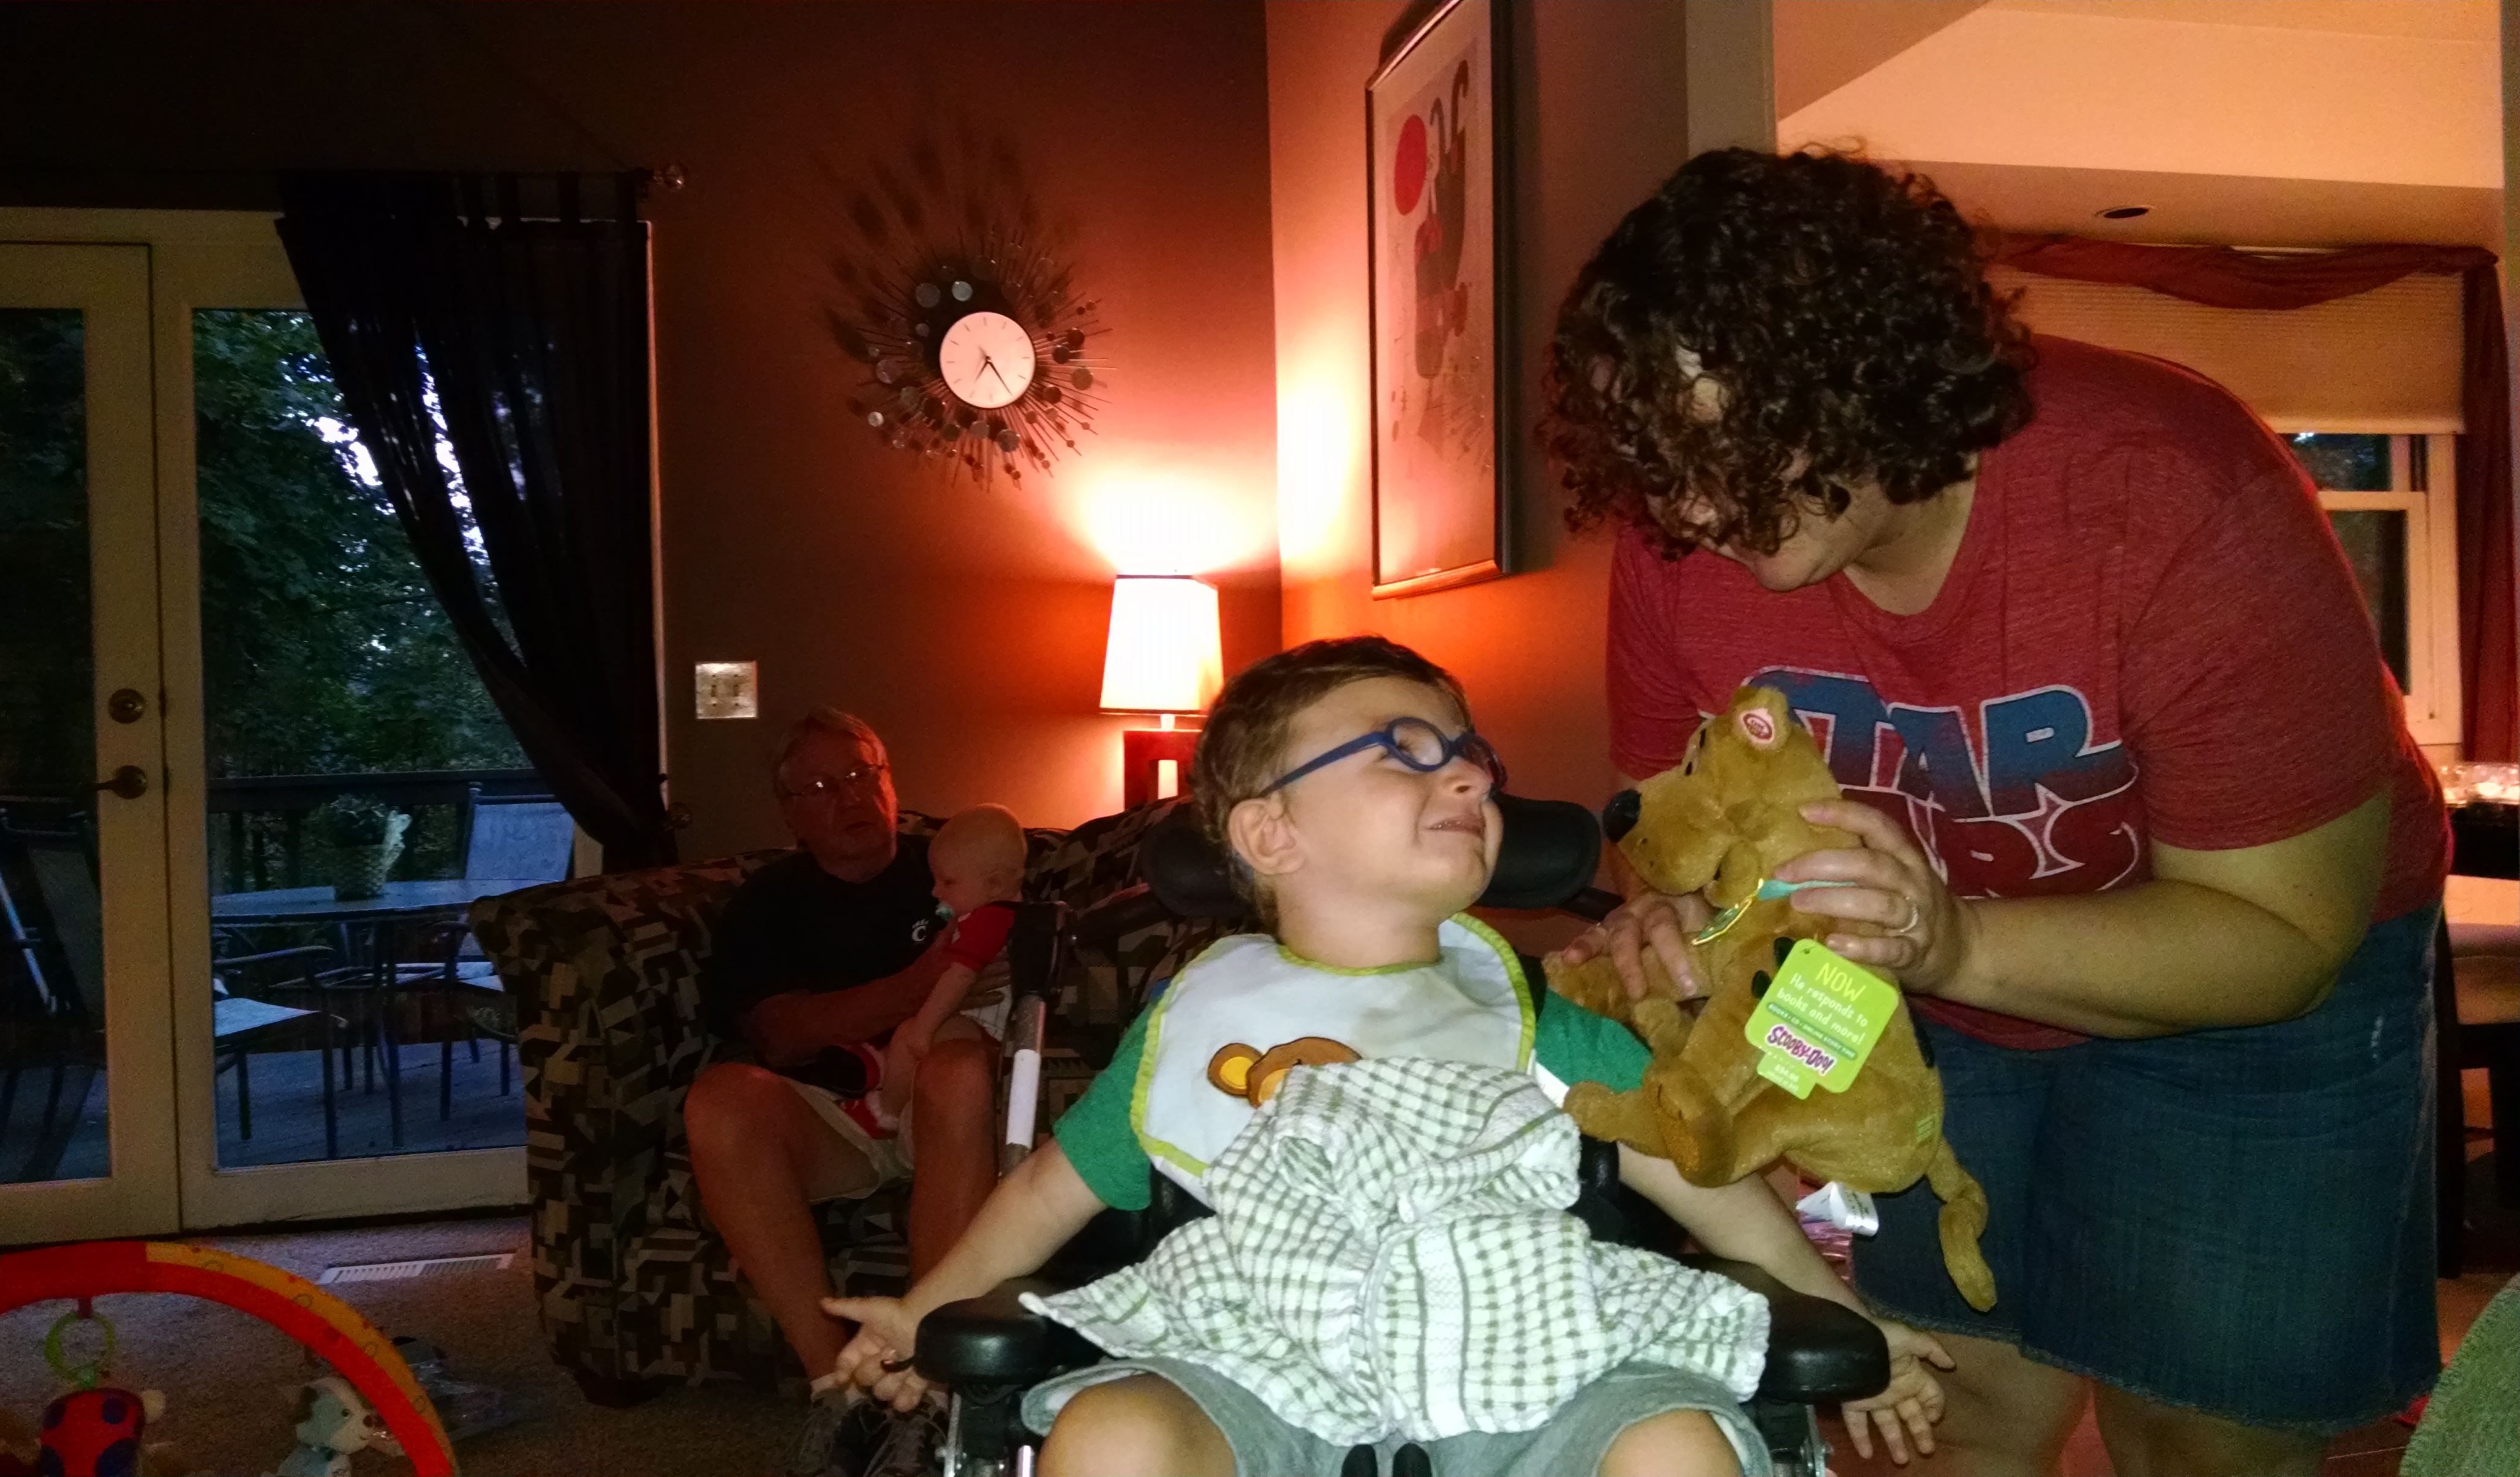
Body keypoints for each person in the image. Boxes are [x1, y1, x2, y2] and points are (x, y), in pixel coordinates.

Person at [1541, 147, 2449, 1477]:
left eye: (1732, 445)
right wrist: (1678, 926)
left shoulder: (2169, 488)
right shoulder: (1682, 548)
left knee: (2197, 1425)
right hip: (1908, 982)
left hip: (2241, 980)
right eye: (1658, 460)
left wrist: (1957, 939)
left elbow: (2281, 933)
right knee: (1946, 1401)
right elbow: (1684, 831)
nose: (1689, 506)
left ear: (1875, 375)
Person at [821, 637, 1951, 1477]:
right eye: (1406, 752)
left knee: (1679, 1448)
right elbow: (1044, 1191)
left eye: (1470, 755)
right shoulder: (1201, 1025)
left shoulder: (1534, 1015)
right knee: (1110, 1436)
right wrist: (925, 1310)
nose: (1470, 777)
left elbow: (1706, 1181)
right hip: (1261, 1360)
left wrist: (1846, 1318)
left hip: (1526, 1355)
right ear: (1270, 833)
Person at [682, 708, 1001, 1476]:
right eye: (822, 786)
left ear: (889, 782)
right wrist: (922, 984)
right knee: (719, 1100)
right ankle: (839, 1388)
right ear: (792, 813)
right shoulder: (770, 900)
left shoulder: (955, 870)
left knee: (960, 1067)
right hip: (833, 1119)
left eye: (862, 774)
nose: (850, 796)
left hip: (944, 1105)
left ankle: (927, 1385)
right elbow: (782, 1034)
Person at [875, 803, 1027, 1133]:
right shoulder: (1005, 912)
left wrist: (924, 1027)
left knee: (907, 1036)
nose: (935, 891)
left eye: (948, 882)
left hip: (988, 1029)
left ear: (994, 884)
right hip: (990, 1027)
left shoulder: (989, 920)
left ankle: (887, 1114)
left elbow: (959, 976)